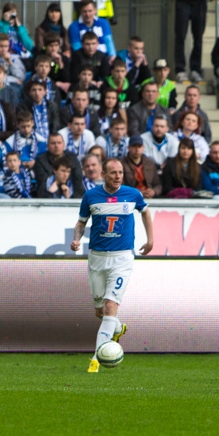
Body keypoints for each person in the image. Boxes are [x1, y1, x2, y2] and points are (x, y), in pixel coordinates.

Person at [71, 157, 154, 373]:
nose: (118, 176)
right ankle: (116, 329)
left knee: (110, 306)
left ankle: (96, 359)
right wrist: (77, 239)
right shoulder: (91, 196)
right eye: (113, 173)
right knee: (101, 312)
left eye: (120, 173)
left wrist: (150, 239)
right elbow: (81, 222)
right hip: (97, 258)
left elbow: (145, 211)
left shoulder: (132, 194)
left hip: (122, 258)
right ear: (103, 175)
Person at [174, 0, 207, 83]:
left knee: (198, 38)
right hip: (183, 1)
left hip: (200, 3)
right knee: (180, 37)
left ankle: (195, 70)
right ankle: (180, 70)